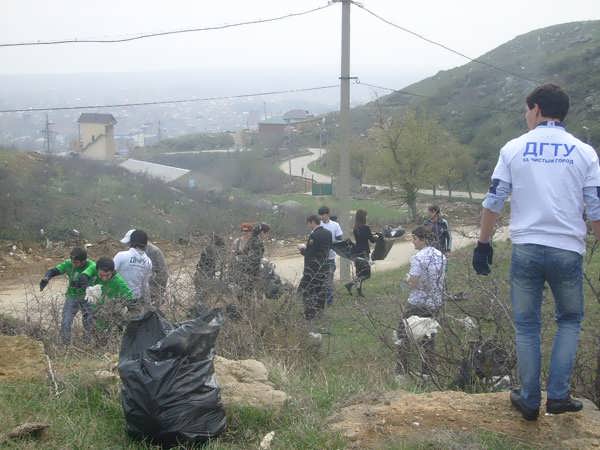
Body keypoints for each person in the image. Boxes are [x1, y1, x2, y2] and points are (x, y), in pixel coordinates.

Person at [472, 83, 600, 421]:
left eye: (527, 110)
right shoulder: (584, 152)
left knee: (527, 326)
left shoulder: (513, 148)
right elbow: (596, 208)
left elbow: (494, 200)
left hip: (526, 248)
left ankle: (528, 399)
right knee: (570, 321)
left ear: (538, 108)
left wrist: (483, 244)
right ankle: (558, 396)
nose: (525, 116)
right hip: (567, 249)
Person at [396, 226, 446, 377]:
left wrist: (407, 280)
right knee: (428, 335)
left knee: (403, 333)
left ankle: (401, 370)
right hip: (435, 301)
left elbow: (413, 282)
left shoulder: (418, 258)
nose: (413, 242)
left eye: (415, 239)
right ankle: (428, 371)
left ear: (422, 239)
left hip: (418, 302)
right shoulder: (441, 255)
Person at [39, 247, 96, 345]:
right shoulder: (69, 263)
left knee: (89, 322)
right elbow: (54, 271)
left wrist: (80, 283)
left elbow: (83, 278)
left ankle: (89, 344)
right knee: (66, 321)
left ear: (84, 261)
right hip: (72, 296)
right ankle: (65, 345)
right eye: (72, 261)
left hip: (88, 297)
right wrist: (47, 277)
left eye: (76, 262)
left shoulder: (92, 265)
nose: (74, 264)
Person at [120, 229, 169, 307]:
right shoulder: (130, 252)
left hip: (151, 289)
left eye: (129, 243)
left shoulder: (154, 252)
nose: (128, 245)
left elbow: (163, 273)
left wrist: (156, 293)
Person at [298, 215, 332, 320]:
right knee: (320, 290)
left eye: (308, 223)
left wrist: (302, 249)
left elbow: (310, 254)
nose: (308, 226)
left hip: (312, 269)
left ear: (312, 222)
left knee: (308, 291)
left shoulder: (314, 235)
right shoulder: (328, 233)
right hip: (324, 266)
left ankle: (309, 313)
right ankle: (320, 312)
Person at [90, 257, 134, 336]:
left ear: (112, 272)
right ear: (97, 271)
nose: (104, 278)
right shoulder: (94, 275)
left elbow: (130, 299)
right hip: (96, 314)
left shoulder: (119, 282)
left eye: (107, 275)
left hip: (111, 316)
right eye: (101, 275)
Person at [114, 229, 153, 308]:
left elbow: (109, 275)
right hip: (136, 300)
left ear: (131, 242)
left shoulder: (121, 256)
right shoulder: (148, 262)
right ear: (145, 245)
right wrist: (148, 304)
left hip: (118, 299)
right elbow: (145, 285)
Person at [345, 209, 376, 297]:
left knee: (359, 273)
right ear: (363, 217)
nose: (367, 217)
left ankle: (359, 292)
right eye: (366, 215)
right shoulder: (366, 228)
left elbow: (361, 238)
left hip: (356, 252)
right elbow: (372, 240)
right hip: (364, 252)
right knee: (367, 274)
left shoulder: (356, 228)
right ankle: (350, 284)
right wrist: (378, 236)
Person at [318, 206, 343, 305]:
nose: (322, 217)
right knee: (320, 280)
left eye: (323, 215)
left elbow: (339, 239)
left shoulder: (335, 225)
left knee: (329, 280)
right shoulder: (318, 225)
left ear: (328, 214)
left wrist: (331, 243)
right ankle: (321, 299)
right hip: (320, 257)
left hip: (330, 257)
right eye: (320, 215)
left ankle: (329, 301)